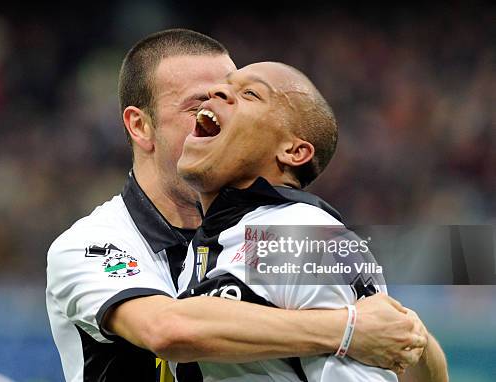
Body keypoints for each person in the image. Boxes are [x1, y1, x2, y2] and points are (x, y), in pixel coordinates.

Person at [46, 29, 428, 382]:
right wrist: (347, 329)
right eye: (200, 102)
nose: (217, 105)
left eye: (239, 96)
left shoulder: (289, 234)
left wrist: (406, 334)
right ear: (141, 127)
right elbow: (166, 330)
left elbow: (400, 347)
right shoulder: (92, 243)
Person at [176, 61, 448, 381]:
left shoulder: (302, 235)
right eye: (225, 85)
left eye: (250, 94)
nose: (216, 91)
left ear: (293, 151)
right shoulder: (210, 241)